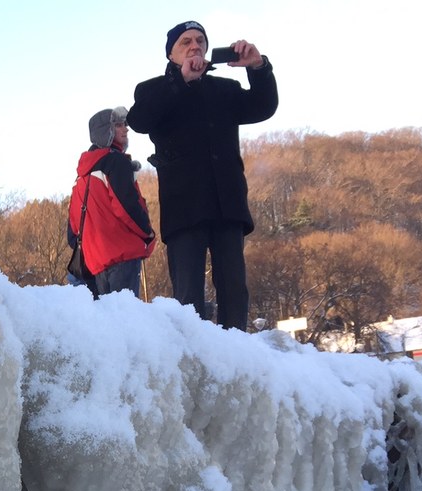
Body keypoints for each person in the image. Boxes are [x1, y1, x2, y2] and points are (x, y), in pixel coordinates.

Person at [127, 20, 278, 330]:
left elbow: (263, 106)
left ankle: (236, 356)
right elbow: (139, 120)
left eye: (199, 40)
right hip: (184, 207)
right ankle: (194, 360)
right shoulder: (154, 89)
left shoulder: (226, 89)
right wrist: (181, 81)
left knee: (235, 292)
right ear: (171, 54)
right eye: (185, 42)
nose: (194, 46)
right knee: (188, 298)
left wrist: (259, 67)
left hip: (228, 203)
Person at [68, 106, 155, 297]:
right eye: (118, 125)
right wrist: (148, 233)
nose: (126, 129)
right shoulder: (116, 162)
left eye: (125, 124)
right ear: (106, 132)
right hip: (123, 253)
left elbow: (72, 233)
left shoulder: (81, 177)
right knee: (127, 319)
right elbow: (127, 206)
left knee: (111, 323)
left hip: (97, 263)